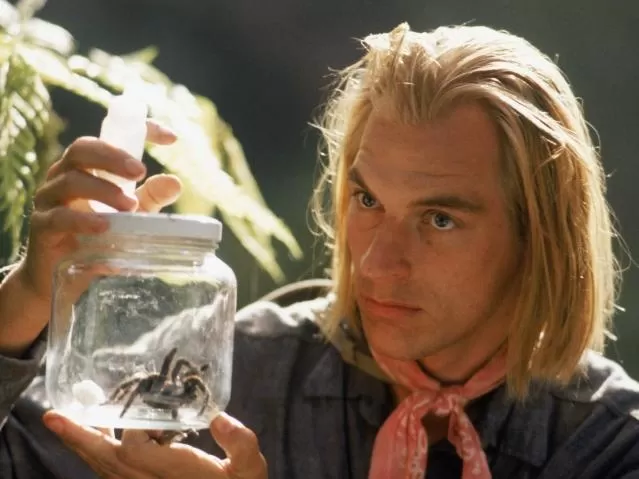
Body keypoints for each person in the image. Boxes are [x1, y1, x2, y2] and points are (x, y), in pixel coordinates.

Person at [1, 21, 639, 478]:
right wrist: (26, 297)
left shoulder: (607, 445)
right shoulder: (233, 371)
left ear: (540, 237)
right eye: (368, 201)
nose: (376, 263)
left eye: (440, 220)